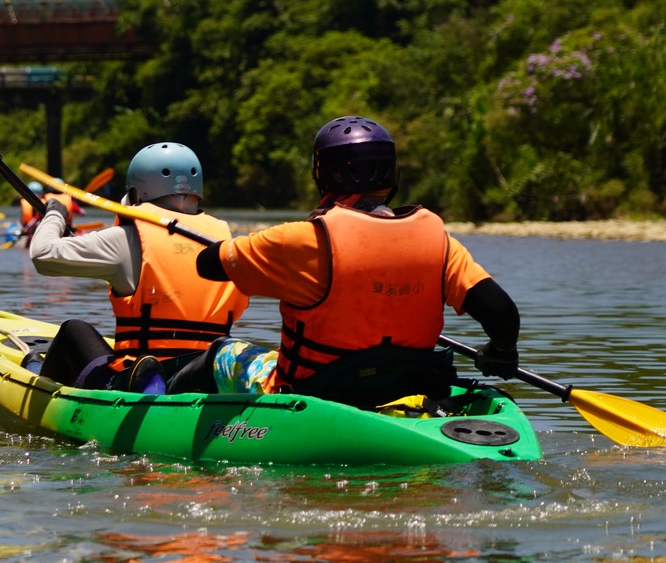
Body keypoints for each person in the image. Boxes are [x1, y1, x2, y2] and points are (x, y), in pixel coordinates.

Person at [194, 117, 520, 411]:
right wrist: (501, 352)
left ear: (322, 176)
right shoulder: (441, 243)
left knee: (222, 352)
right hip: (409, 388)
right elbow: (502, 313)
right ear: (393, 174)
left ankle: (157, 404)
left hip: (316, 395)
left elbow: (207, 264)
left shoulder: (302, 241)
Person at [26, 142, 249, 395]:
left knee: (73, 330)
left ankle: (36, 374)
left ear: (134, 194)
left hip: (134, 379)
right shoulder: (226, 242)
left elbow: (43, 255)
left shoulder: (126, 237)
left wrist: (55, 215)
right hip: (203, 373)